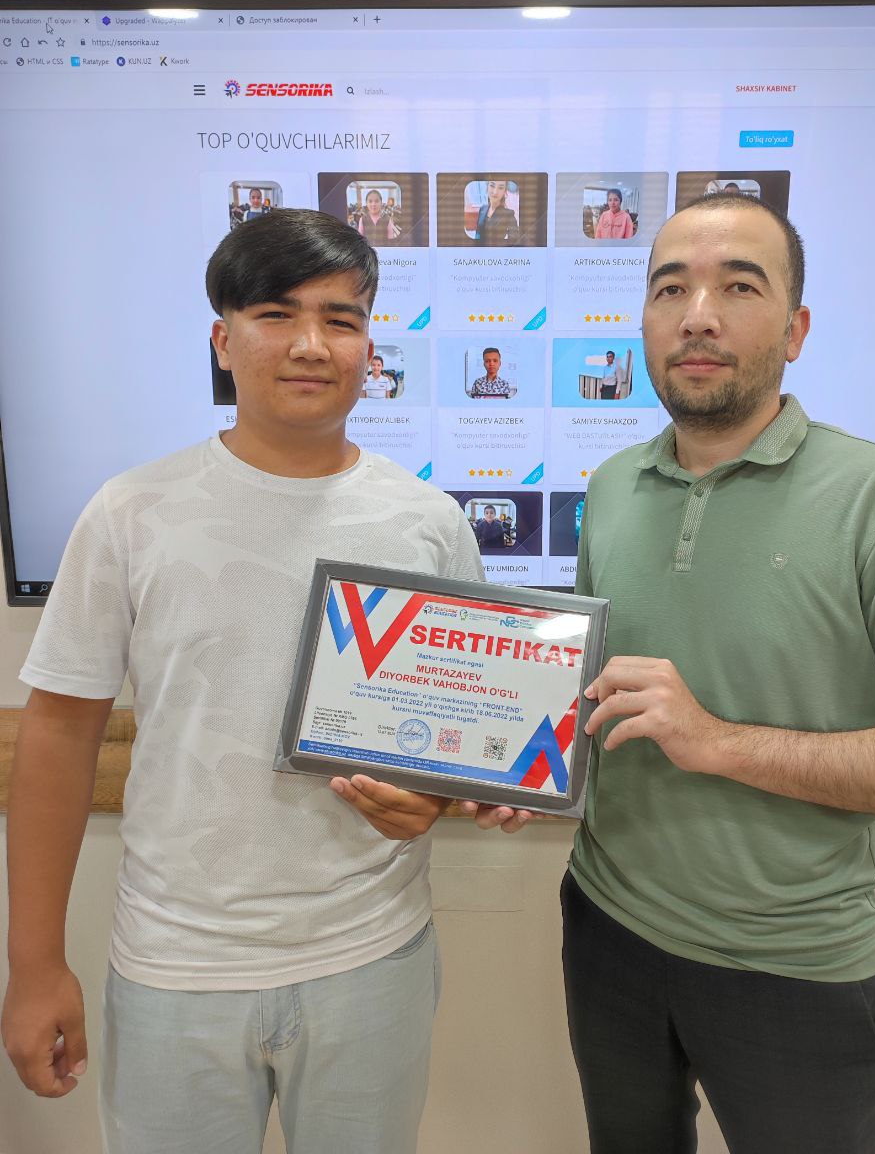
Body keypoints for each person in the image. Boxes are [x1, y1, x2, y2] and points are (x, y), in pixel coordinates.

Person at [1, 210, 520, 1154]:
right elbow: (59, 735)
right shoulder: (130, 513)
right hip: (174, 965)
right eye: (277, 314)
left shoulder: (428, 522)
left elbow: (458, 725)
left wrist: (448, 794)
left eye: (342, 318)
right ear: (222, 340)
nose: (311, 344)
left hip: (372, 954)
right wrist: (34, 966)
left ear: (371, 348)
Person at [561, 193, 875, 1153]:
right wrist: (515, 769)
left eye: (738, 287)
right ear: (644, 321)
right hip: (606, 928)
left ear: (796, 329)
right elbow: (590, 704)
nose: (698, 315)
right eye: (670, 289)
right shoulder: (610, 488)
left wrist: (717, 742)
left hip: (796, 968)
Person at [474, 178, 521, 247]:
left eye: (501, 188)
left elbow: (514, 240)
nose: (495, 192)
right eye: (492, 185)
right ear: (487, 187)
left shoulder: (509, 214)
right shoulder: (482, 209)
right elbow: (477, 232)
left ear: (504, 192)